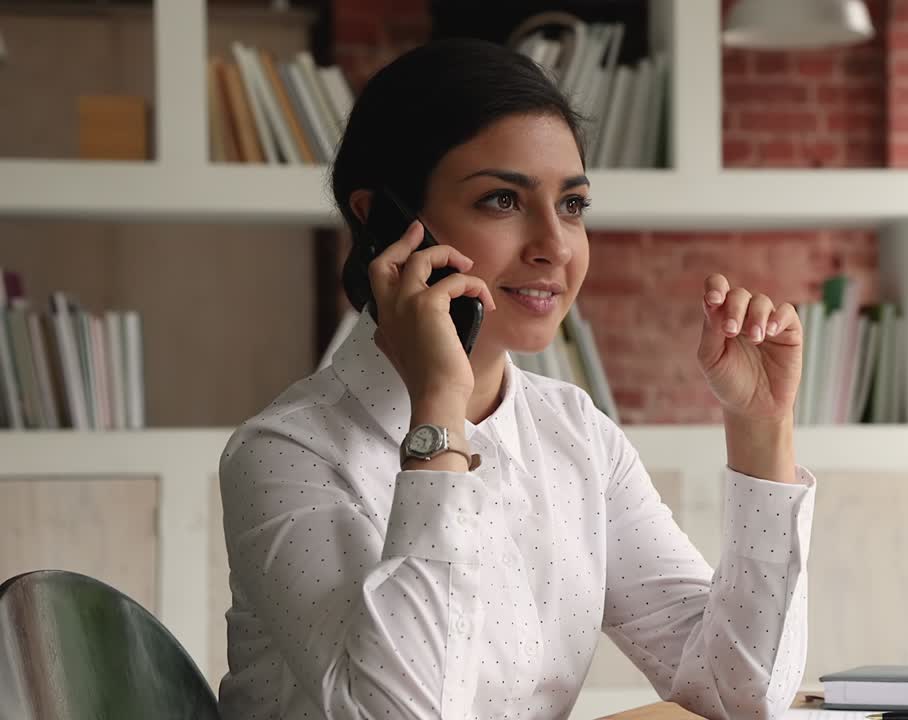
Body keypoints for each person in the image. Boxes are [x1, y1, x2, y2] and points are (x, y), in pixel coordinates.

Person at [218, 38, 817, 720]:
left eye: (572, 205)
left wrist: (762, 428)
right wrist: (440, 408)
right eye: (502, 200)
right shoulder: (287, 452)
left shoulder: (577, 436)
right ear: (384, 220)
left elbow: (741, 695)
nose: (555, 246)